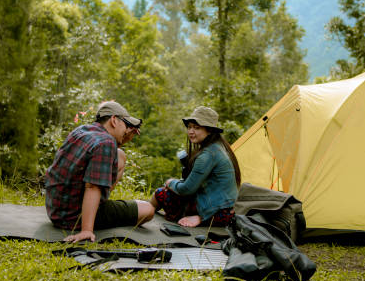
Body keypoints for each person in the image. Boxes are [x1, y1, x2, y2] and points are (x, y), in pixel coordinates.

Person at [45, 101, 155, 243]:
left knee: (120, 154)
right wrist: (87, 230)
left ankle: (98, 205)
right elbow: (92, 187)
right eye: (126, 125)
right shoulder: (105, 143)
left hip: (56, 210)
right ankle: (93, 215)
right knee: (148, 210)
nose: (128, 130)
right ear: (114, 120)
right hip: (73, 217)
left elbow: (114, 150)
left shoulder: (82, 130)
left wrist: (126, 135)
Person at [150, 106, 241, 227]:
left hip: (218, 212)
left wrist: (170, 182)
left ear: (209, 130)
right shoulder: (219, 146)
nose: (191, 131)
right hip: (227, 209)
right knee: (171, 192)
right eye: (189, 127)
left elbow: (186, 189)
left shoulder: (208, 154)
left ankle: (143, 214)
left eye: (196, 128)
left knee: (161, 193)